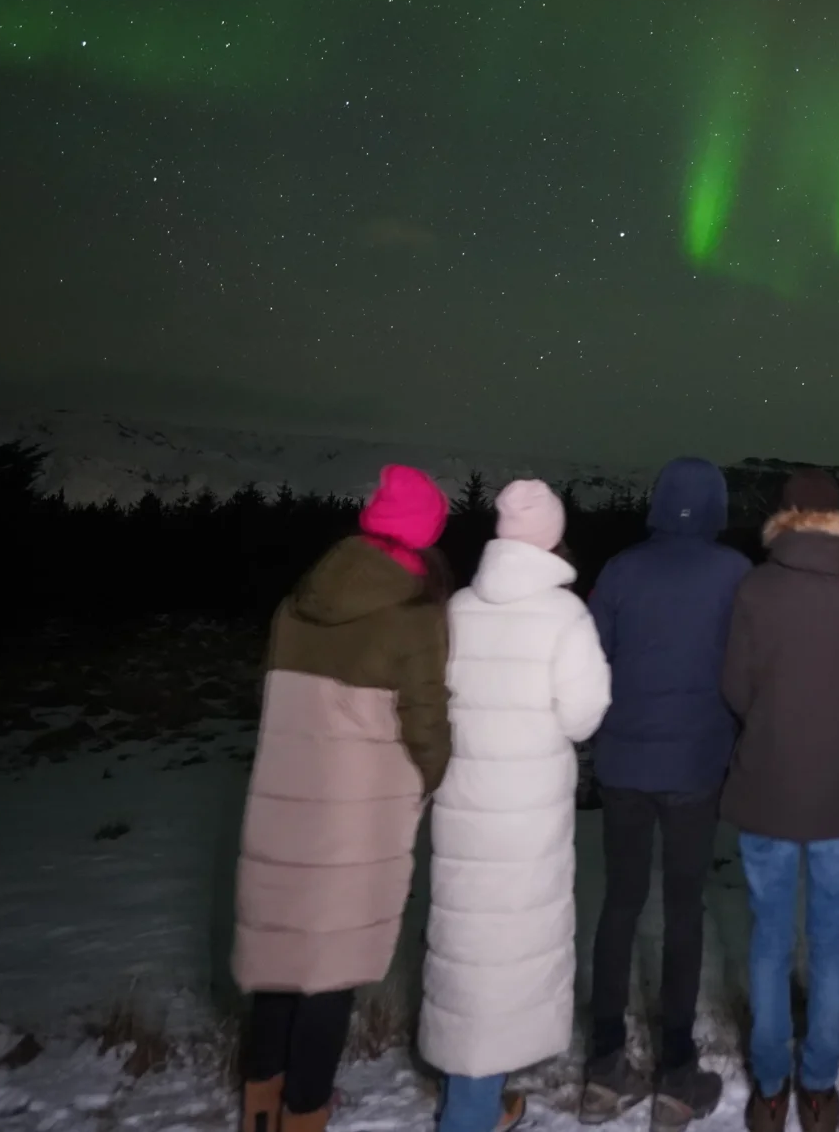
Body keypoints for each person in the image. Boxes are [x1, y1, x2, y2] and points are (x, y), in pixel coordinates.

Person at [235, 465, 454, 1132]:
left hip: (282, 793)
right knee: (330, 966)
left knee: (278, 953)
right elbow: (426, 721)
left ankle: (260, 1107)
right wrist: (433, 774)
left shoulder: (298, 600)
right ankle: (307, 1110)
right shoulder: (413, 613)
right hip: (358, 811)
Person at [420, 480, 613, 1132]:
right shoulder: (565, 617)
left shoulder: (459, 607)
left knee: (469, 946)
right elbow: (584, 717)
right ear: (553, 536)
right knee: (503, 949)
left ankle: (473, 1095)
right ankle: (470, 1111)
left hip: (464, 798)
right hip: (528, 811)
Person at [720, 469, 839, 1132]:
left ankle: (770, 1087)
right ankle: (818, 1086)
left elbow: (735, 686)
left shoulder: (756, 586)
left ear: (785, 518)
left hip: (767, 783)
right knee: (829, 940)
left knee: (768, 940)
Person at [581, 458, 751, 1125]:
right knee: (684, 909)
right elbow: (745, 664)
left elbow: (593, 656)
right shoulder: (734, 573)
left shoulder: (622, 569)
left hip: (624, 762)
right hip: (696, 766)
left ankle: (603, 1065)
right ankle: (677, 1074)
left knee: (620, 904)